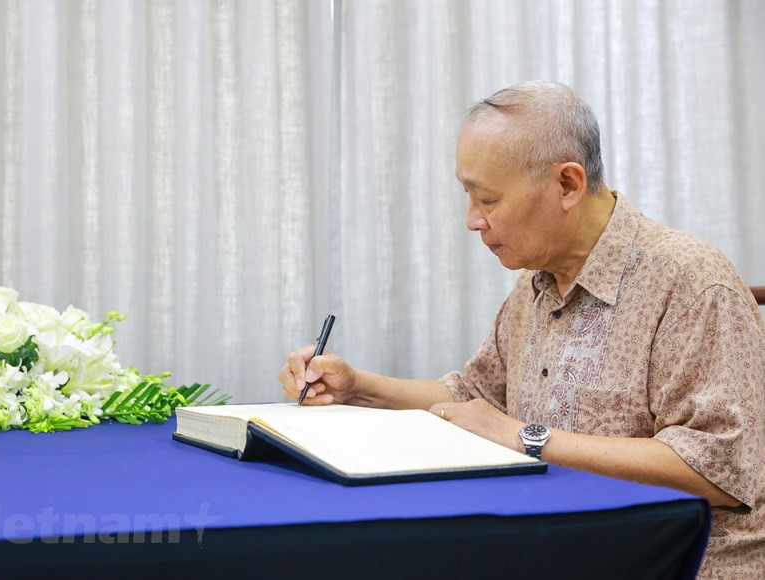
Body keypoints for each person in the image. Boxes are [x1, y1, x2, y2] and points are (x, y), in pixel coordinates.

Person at [279, 81, 764, 577]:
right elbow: (474, 398)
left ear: (568, 185)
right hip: (558, 550)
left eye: (487, 200)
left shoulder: (691, 284)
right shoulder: (535, 283)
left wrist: (527, 437)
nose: (472, 221)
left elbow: (720, 470)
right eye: (468, 196)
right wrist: (356, 387)